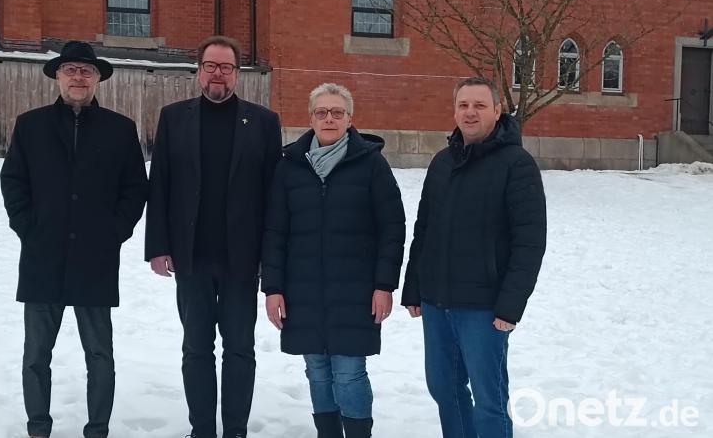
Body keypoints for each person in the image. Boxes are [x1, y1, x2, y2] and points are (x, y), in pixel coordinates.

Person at [0, 40, 148, 438]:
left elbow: (135, 189)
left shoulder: (120, 129)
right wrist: (28, 228)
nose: (78, 77)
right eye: (71, 70)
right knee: (36, 356)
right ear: (58, 76)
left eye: (86, 70)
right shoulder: (30, 125)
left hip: (95, 259)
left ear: (98, 78)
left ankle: (97, 428)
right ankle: (38, 427)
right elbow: (13, 181)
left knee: (100, 355)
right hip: (42, 255)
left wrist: (115, 233)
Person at [144, 35, 283, 438]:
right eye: (210, 66)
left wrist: (270, 256)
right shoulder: (174, 117)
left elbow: (274, 194)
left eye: (226, 67)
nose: (217, 74)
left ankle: (235, 429)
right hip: (192, 257)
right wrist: (158, 246)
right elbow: (161, 185)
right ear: (199, 71)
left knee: (240, 349)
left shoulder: (263, 122)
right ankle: (202, 428)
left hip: (243, 258)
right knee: (196, 349)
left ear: (237, 74)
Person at [401, 77, 547, 438]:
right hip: (437, 303)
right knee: (444, 389)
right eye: (464, 105)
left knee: (489, 398)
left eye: (480, 105)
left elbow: (530, 242)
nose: (470, 112)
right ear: (454, 110)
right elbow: (424, 229)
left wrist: (510, 306)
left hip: (484, 308)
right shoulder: (441, 162)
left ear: (498, 111)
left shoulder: (517, 164)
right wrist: (414, 286)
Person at [261, 83, 405, 438]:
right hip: (303, 290)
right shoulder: (290, 167)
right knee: (317, 370)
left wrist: (384, 285)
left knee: (349, 371)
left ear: (350, 118)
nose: (329, 118)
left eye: (337, 112)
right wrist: (273, 289)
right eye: (322, 112)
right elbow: (274, 232)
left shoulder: (371, 164)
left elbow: (392, 229)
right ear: (310, 118)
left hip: (356, 292)